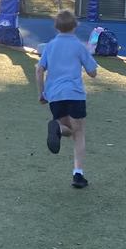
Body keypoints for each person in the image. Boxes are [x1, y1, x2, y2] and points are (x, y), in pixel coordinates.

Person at [37, 11, 99, 189]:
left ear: (56, 27)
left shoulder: (50, 46)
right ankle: (78, 174)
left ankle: (57, 127)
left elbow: (39, 70)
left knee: (68, 129)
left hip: (55, 96)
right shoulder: (79, 47)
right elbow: (92, 72)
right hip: (74, 94)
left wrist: (42, 93)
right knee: (79, 133)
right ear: (75, 26)